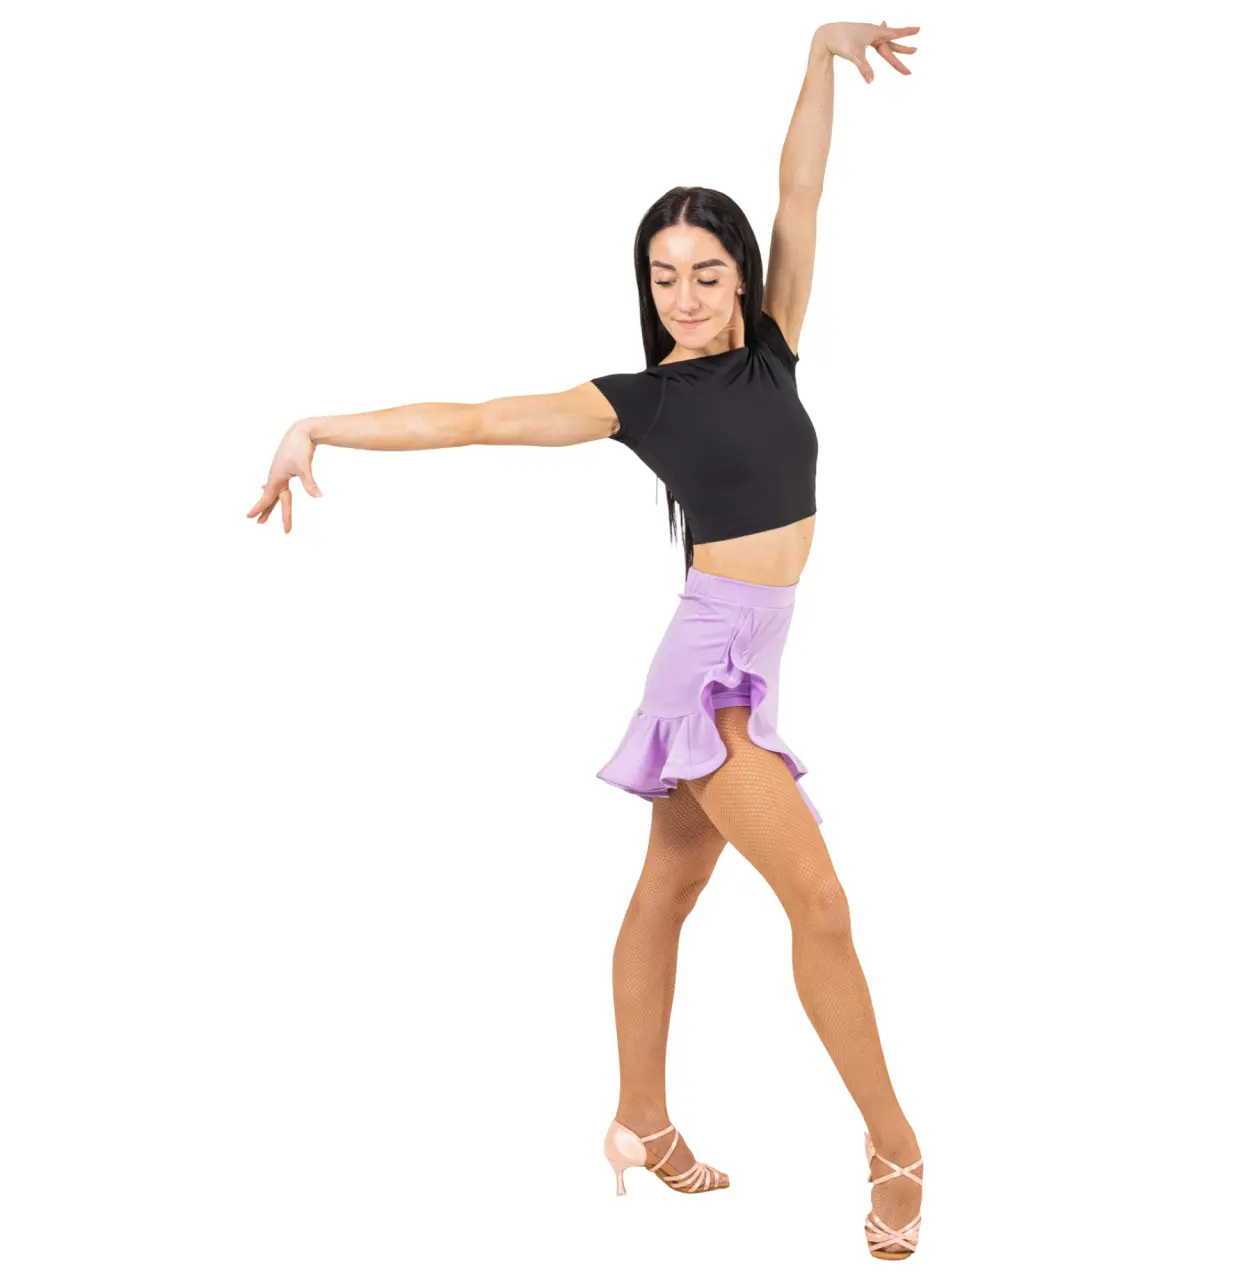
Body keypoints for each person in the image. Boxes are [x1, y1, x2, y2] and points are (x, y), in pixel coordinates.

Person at [246, 19, 925, 1261]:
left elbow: (800, 190)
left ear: (740, 276)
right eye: (663, 277)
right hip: (706, 673)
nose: (684, 296)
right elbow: (474, 418)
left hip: (756, 655)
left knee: (668, 887)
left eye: (705, 273)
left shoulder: (774, 349)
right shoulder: (640, 403)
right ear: (644, 283)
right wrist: (317, 426)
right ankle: (895, 1146)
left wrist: (817, 58)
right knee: (819, 901)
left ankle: (638, 1121)